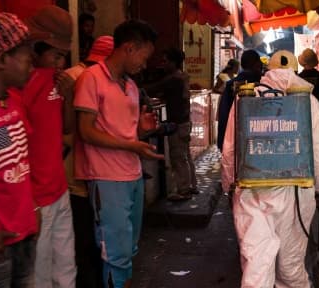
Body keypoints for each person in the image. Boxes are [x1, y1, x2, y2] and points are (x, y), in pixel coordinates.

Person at [221, 50, 319, 287]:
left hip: (251, 189)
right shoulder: (308, 102)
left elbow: (230, 150)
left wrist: (228, 184)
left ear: (266, 72)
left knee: (257, 262)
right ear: (294, 72)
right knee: (290, 266)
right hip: (296, 190)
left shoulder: (246, 98)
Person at [74, 19, 162, 288]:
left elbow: (127, 133)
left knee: (128, 249)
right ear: (129, 48)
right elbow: (86, 132)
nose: (144, 65)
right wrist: (131, 145)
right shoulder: (91, 78)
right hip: (106, 178)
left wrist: (142, 132)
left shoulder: (131, 87)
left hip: (132, 174)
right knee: (114, 252)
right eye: (143, 57)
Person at [14, 5, 78, 288]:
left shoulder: (55, 80)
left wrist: (68, 96)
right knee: (39, 277)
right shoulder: (19, 87)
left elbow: (65, 129)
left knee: (65, 270)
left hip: (58, 190)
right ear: (36, 49)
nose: (60, 62)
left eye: (63, 55)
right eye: (55, 54)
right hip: (36, 198)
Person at [0, 12, 38, 288]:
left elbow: (20, 163)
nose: (31, 66)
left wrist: (33, 206)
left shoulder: (15, 103)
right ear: (2, 59)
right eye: (26, 58)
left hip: (25, 235)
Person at [64, 35, 114, 288]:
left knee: (85, 238)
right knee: (88, 238)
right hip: (82, 172)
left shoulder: (72, 75)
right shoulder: (87, 78)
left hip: (80, 172)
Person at [149, 48, 197, 201]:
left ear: (173, 62)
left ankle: (183, 190)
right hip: (185, 122)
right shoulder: (182, 77)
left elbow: (152, 88)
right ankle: (191, 186)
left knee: (178, 158)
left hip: (177, 123)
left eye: (165, 61)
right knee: (185, 156)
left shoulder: (173, 79)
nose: (163, 64)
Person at [217, 50, 262, 151]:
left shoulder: (230, 85)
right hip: (259, 141)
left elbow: (224, 116)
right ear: (256, 64)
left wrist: (222, 143)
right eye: (259, 62)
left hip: (234, 138)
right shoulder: (263, 83)